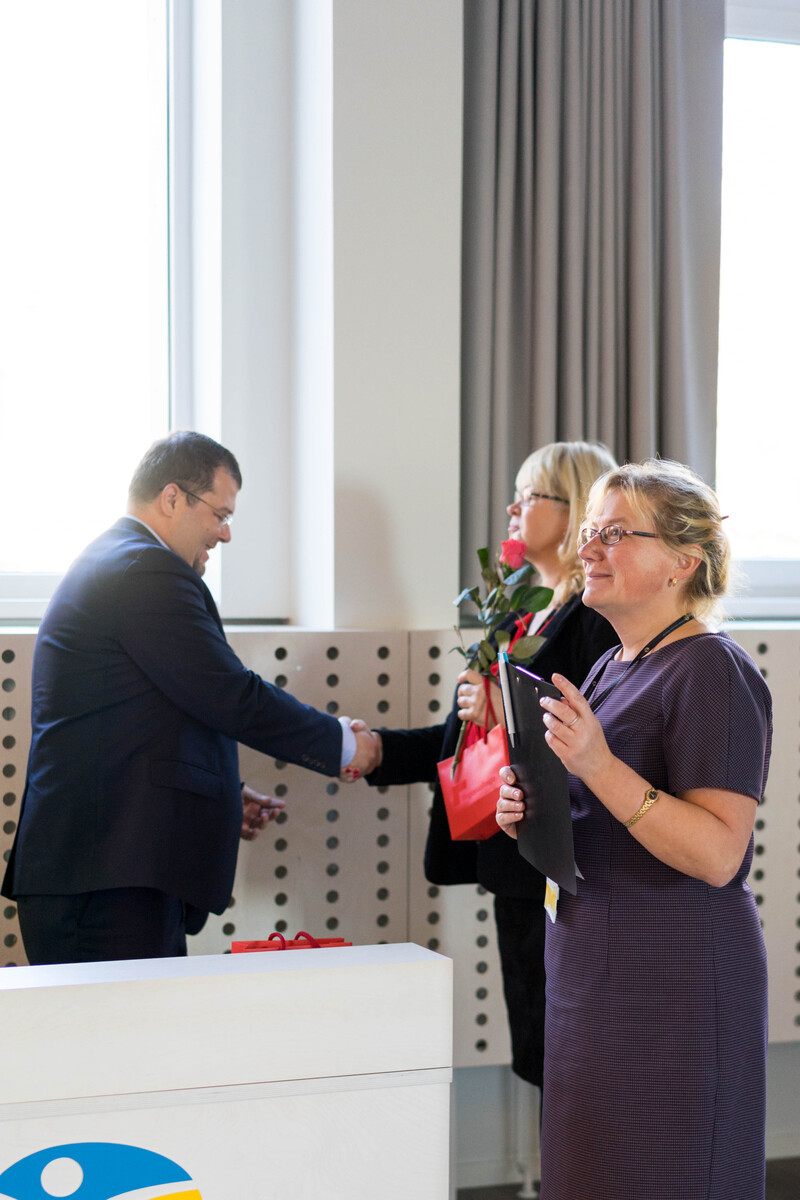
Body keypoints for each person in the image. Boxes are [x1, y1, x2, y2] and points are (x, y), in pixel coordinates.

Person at [497, 459, 772, 1200]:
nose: (588, 548)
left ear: (684, 561)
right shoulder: (612, 667)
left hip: (673, 982)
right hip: (594, 973)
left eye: (615, 534)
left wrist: (598, 766)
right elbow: (597, 815)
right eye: (591, 531)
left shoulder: (712, 671)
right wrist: (528, 806)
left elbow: (718, 853)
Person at [2, 431, 379, 965]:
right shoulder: (144, 570)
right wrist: (343, 744)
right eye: (220, 514)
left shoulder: (119, 560)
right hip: (105, 883)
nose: (225, 533)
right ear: (172, 498)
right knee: (130, 1023)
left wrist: (222, 794)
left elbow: (141, 718)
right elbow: (229, 694)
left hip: (108, 872)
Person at [359, 441, 617, 1092]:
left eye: (529, 496)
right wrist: (377, 751)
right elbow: (463, 739)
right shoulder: (520, 611)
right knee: (538, 1052)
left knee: (569, 1060)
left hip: (560, 865)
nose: (512, 509)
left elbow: (596, 740)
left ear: (574, 508)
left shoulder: (594, 619)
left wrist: (505, 712)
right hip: (513, 862)